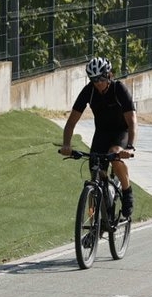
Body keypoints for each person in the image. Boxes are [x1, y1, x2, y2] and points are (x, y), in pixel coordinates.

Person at [59, 57, 137, 218]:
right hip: (101, 133)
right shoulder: (89, 91)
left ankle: (126, 190)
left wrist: (129, 146)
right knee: (95, 175)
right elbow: (71, 122)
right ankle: (94, 222)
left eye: (101, 78)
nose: (98, 83)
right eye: (94, 80)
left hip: (121, 132)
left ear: (109, 75)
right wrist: (67, 144)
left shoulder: (119, 89)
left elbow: (132, 121)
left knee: (115, 154)